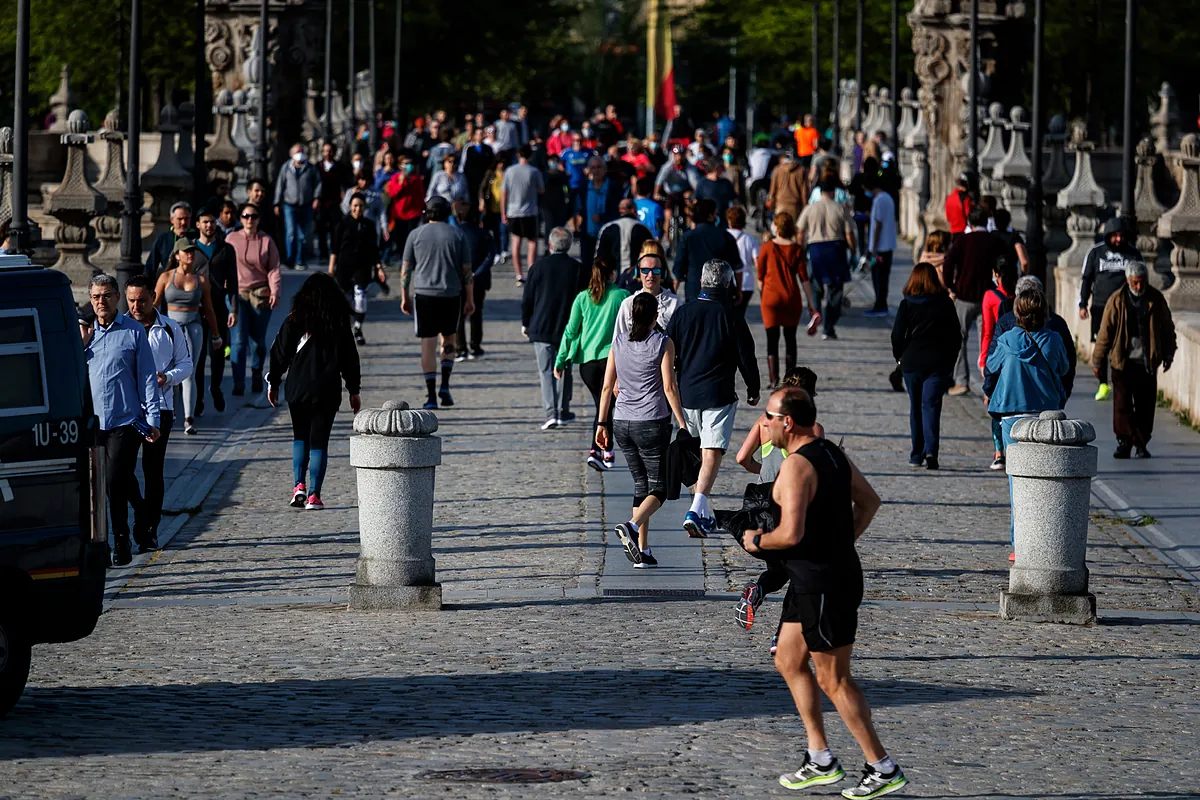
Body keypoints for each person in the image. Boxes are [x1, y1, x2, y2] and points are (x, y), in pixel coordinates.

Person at [740, 388, 907, 799]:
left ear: (787, 422)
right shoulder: (831, 452)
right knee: (787, 658)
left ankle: (882, 767)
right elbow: (869, 502)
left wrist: (756, 540)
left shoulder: (797, 466)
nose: (763, 422)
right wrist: (842, 542)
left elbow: (790, 534)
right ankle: (821, 759)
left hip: (824, 584)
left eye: (768, 416)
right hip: (812, 579)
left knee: (834, 679)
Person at [667, 259, 760, 537]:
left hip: (687, 394)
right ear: (728, 284)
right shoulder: (731, 315)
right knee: (711, 451)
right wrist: (753, 388)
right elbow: (746, 356)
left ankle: (701, 512)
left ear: (701, 282)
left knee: (696, 453)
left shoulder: (683, 313)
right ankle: (696, 509)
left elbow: (668, 351)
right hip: (718, 393)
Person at [596, 293, 689, 568]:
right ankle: (632, 525)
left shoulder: (618, 342)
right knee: (660, 487)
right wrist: (683, 423)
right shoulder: (663, 343)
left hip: (621, 421)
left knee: (641, 485)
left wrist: (601, 424)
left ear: (630, 316)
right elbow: (669, 387)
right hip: (651, 422)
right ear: (656, 316)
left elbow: (606, 387)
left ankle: (643, 550)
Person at [731, 368, 824, 638]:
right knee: (799, 571)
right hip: (790, 506)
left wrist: (763, 470)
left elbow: (741, 458)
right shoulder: (813, 429)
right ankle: (781, 635)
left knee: (780, 568)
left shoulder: (764, 422)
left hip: (761, 506)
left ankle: (758, 591)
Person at [82, 274, 161, 566]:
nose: (101, 302)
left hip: (125, 420)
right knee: (105, 482)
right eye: (95, 297)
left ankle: (120, 540)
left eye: (106, 295)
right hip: (93, 422)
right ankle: (140, 512)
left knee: (114, 480)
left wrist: (153, 418)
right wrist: (80, 344)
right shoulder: (84, 332)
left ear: (117, 297)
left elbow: (147, 376)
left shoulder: (133, 331)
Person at [987, 289, 1071, 559]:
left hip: (1012, 417)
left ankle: (1019, 545)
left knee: (1017, 482)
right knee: (1046, 480)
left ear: (1017, 313)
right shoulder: (1054, 339)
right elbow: (1064, 368)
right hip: (1046, 417)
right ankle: (1047, 540)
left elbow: (991, 365)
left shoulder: (1007, 339)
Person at [267, 273, 362, 511]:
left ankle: (298, 485)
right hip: (327, 390)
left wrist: (274, 382)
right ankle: (314, 495)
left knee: (300, 436)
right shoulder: (339, 323)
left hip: (297, 388)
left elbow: (279, 353)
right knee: (319, 441)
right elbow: (350, 359)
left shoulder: (294, 319)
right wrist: (354, 389)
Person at [123, 274, 191, 552]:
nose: (136, 306)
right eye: (131, 300)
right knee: (121, 470)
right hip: (127, 410)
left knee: (153, 471)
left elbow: (186, 364)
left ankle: (149, 530)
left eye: (141, 300)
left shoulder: (169, 328)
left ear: (153, 297)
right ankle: (141, 513)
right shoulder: (120, 327)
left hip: (160, 409)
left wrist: (168, 377)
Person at [1092, 259, 1177, 459]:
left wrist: (1169, 353)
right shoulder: (1117, 300)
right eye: (1135, 282)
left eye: (1141, 281)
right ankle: (1125, 441)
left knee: (1145, 406)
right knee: (1122, 405)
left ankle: (1141, 443)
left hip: (1146, 362)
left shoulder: (1156, 299)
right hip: (1122, 361)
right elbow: (1105, 333)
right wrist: (1098, 360)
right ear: (1128, 280)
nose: (1138, 286)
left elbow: (1167, 328)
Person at [555, 257, 630, 469]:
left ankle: (604, 450)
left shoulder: (582, 298)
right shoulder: (622, 296)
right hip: (611, 360)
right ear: (613, 273)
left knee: (602, 404)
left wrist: (560, 360)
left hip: (587, 363)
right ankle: (599, 449)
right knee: (605, 405)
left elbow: (571, 331)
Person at [401, 196, 475, 410]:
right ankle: (445, 385)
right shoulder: (458, 235)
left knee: (428, 343)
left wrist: (405, 295)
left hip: (424, 295)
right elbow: (467, 272)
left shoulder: (415, 235)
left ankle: (431, 394)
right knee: (449, 339)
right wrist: (470, 299)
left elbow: (406, 269)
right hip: (451, 294)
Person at [891, 262, 961, 470]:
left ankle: (916, 454)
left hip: (912, 362)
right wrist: (950, 362)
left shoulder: (907, 305)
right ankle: (931, 451)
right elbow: (955, 336)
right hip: (937, 363)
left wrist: (900, 358)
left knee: (915, 407)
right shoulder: (945, 304)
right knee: (931, 406)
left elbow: (896, 336)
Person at [153, 239, 223, 435]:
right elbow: (155, 304)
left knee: (188, 371)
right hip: (170, 328)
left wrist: (216, 335)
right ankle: (171, 412)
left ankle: (188, 418)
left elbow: (208, 309)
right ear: (177, 255)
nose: (190, 254)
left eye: (192, 251)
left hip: (193, 328)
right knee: (169, 370)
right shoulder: (166, 277)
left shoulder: (201, 280)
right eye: (186, 251)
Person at [523, 227, 586, 429]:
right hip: (568, 327)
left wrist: (525, 322)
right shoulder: (578, 268)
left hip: (541, 326)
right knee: (565, 369)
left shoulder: (538, 267)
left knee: (546, 370)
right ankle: (562, 410)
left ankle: (550, 412)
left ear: (550, 244)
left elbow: (528, 299)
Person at [1080, 217, 1143, 402]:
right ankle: (1103, 384)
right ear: (1108, 235)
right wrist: (1082, 304)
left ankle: (1122, 381)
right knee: (1101, 345)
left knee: (1123, 344)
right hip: (1100, 307)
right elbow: (1086, 278)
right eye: (1114, 236)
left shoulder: (1133, 254)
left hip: (1126, 308)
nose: (1118, 239)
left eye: (1121, 236)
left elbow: (1141, 278)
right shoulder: (1096, 252)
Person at [942, 206, 1000, 395]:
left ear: (969, 223)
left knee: (958, 338)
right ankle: (990, 383)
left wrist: (951, 286)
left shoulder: (962, 241)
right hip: (988, 296)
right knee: (988, 340)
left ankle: (961, 381)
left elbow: (948, 264)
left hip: (964, 295)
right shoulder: (994, 241)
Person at [226, 202, 282, 396]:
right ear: (240, 219)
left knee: (258, 341)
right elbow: (223, 262)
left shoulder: (267, 241)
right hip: (237, 294)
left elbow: (274, 268)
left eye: (254, 216)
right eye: (246, 216)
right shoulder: (231, 239)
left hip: (260, 294)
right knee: (238, 341)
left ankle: (257, 372)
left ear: (259, 219)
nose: (250, 220)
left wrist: (275, 291)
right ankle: (239, 381)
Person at [758, 211, 818, 388]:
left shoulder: (766, 248)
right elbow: (804, 279)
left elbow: (760, 277)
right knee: (790, 339)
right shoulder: (797, 249)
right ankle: (790, 381)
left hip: (771, 298)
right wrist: (811, 303)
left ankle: (773, 380)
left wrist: (763, 296)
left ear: (776, 227)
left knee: (772, 340)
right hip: (791, 297)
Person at [797, 177, 856, 340]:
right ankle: (829, 328)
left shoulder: (810, 208)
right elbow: (849, 233)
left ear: (820, 192)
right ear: (834, 192)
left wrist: (800, 250)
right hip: (836, 249)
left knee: (816, 286)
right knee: (835, 290)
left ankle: (816, 312)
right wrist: (853, 251)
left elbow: (800, 231)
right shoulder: (840, 208)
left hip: (816, 249)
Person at [192, 207, 238, 414]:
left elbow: (233, 282)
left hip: (218, 306)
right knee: (199, 356)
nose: (209, 225)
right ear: (198, 225)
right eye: (205, 222)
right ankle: (199, 398)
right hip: (197, 308)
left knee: (218, 352)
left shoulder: (226, 249)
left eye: (211, 221)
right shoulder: (191, 249)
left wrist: (233, 309)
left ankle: (216, 387)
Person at [330, 192, 386, 346]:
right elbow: (334, 249)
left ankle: (358, 327)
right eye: (355, 206)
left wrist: (379, 267)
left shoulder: (369, 225)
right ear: (350, 206)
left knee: (361, 297)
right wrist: (331, 268)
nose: (358, 209)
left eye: (361, 206)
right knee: (344, 300)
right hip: (344, 266)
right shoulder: (342, 224)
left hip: (362, 266)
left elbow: (374, 249)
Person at [978, 257, 1019, 467]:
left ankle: (999, 452)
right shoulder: (1019, 297)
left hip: (997, 353)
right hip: (1016, 354)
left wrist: (983, 358)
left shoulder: (990, 297)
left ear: (997, 274)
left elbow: (987, 330)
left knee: (995, 402)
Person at [673, 198, 742, 302]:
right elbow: (737, 267)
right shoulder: (725, 236)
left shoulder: (687, 237)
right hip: (722, 291)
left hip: (694, 290)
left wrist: (674, 291)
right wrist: (738, 290)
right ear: (710, 216)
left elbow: (678, 268)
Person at [452, 200, 494, 361]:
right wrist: (477, 273)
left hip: (459, 279)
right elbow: (490, 256)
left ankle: (460, 348)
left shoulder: (454, 234)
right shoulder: (484, 234)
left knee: (458, 314)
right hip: (479, 279)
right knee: (476, 312)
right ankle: (475, 346)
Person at [613, 245, 681, 338]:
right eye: (645, 270)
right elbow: (618, 339)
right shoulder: (628, 304)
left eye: (656, 270)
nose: (650, 275)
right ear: (638, 273)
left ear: (663, 274)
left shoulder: (675, 303)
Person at [501, 144, 545, 284]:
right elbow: (541, 189)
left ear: (518, 155)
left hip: (513, 211)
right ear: (530, 156)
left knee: (516, 242)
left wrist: (503, 212)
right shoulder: (534, 171)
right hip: (530, 211)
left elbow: (504, 193)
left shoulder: (509, 171)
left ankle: (519, 274)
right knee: (532, 242)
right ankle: (531, 271)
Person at [274, 143, 321, 269]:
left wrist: (316, 198)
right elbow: (280, 185)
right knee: (290, 232)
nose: (300, 154)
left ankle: (300, 260)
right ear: (291, 154)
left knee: (303, 235)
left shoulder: (310, 168)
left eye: (301, 151)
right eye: (297, 152)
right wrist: (277, 203)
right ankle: (290, 258)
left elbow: (318, 184)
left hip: (306, 205)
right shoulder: (286, 168)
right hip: (290, 204)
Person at [598, 199, 656, 289]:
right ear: (633, 210)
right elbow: (653, 254)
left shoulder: (607, 228)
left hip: (612, 283)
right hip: (637, 282)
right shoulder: (643, 229)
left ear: (620, 210)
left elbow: (599, 258)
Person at [863, 171, 897, 317]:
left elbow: (877, 225)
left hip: (880, 247)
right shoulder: (888, 198)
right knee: (884, 277)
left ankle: (880, 305)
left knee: (878, 278)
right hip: (888, 245)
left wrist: (873, 249)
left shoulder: (878, 200)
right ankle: (881, 303)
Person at [580, 156, 622, 269]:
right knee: (587, 267)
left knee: (605, 267)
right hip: (588, 235)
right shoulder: (584, 187)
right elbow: (579, 208)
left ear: (604, 169)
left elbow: (617, 211)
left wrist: (603, 217)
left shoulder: (613, 187)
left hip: (607, 236)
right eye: (593, 168)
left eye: (599, 167)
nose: (596, 170)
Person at [315, 141, 350, 262]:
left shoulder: (340, 167)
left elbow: (345, 184)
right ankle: (323, 254)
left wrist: (344, 197)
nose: (327, 153)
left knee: (335, 229)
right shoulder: (318, 167)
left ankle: (334, 253)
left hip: (335, 202)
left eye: (330, 151)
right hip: (322, 202)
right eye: (325, 151)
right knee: (321, 229)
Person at [144, 201, 195, 278]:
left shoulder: (196, 237)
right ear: (172, 219)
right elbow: (150, 266)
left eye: (186, 218)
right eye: (180, 219)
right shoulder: (163, 239)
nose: (183, 222)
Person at [728, 206, 760, 318]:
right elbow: (758, 263)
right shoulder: (750, 239)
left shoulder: (723, 236)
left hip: (728, 281)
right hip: (746, 284)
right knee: (740, 315)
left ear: (729, 220)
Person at [694, 159, 738, 230]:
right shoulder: (702, 184)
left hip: (724, 221)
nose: (723, 170)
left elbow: (734, 200)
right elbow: (696, 202)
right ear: (715, 168)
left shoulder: (726, 183)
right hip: (707, 222)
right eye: (721, 167)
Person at [767, 150, 808, 223]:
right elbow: (804, 192)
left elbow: (772, 190)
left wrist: (771, 205)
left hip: (780, 204)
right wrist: (805, 207)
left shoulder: (777, 170)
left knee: (781, 227)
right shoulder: (801, 170)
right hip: (795, 206)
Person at [461, 125, 495, 203]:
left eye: (481, 134)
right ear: (474, 136)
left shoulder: (488, 149)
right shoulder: (470, 149)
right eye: (478, 134)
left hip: (485, 177)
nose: (480, 136)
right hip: (473, 178)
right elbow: (466, 163)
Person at [991, 208, 1029, 274]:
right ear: (1009, 221)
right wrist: (1023, 275)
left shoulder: (990, 236)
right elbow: (1024, 262)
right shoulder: (1014, 237)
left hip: (994, 274)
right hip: (1011, 275)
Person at [944, 172, 975, 239]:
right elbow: (969, 215)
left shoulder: (949, 198)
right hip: (964, 231)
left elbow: (948, 216)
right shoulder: (966, 198)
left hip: (953, 230)